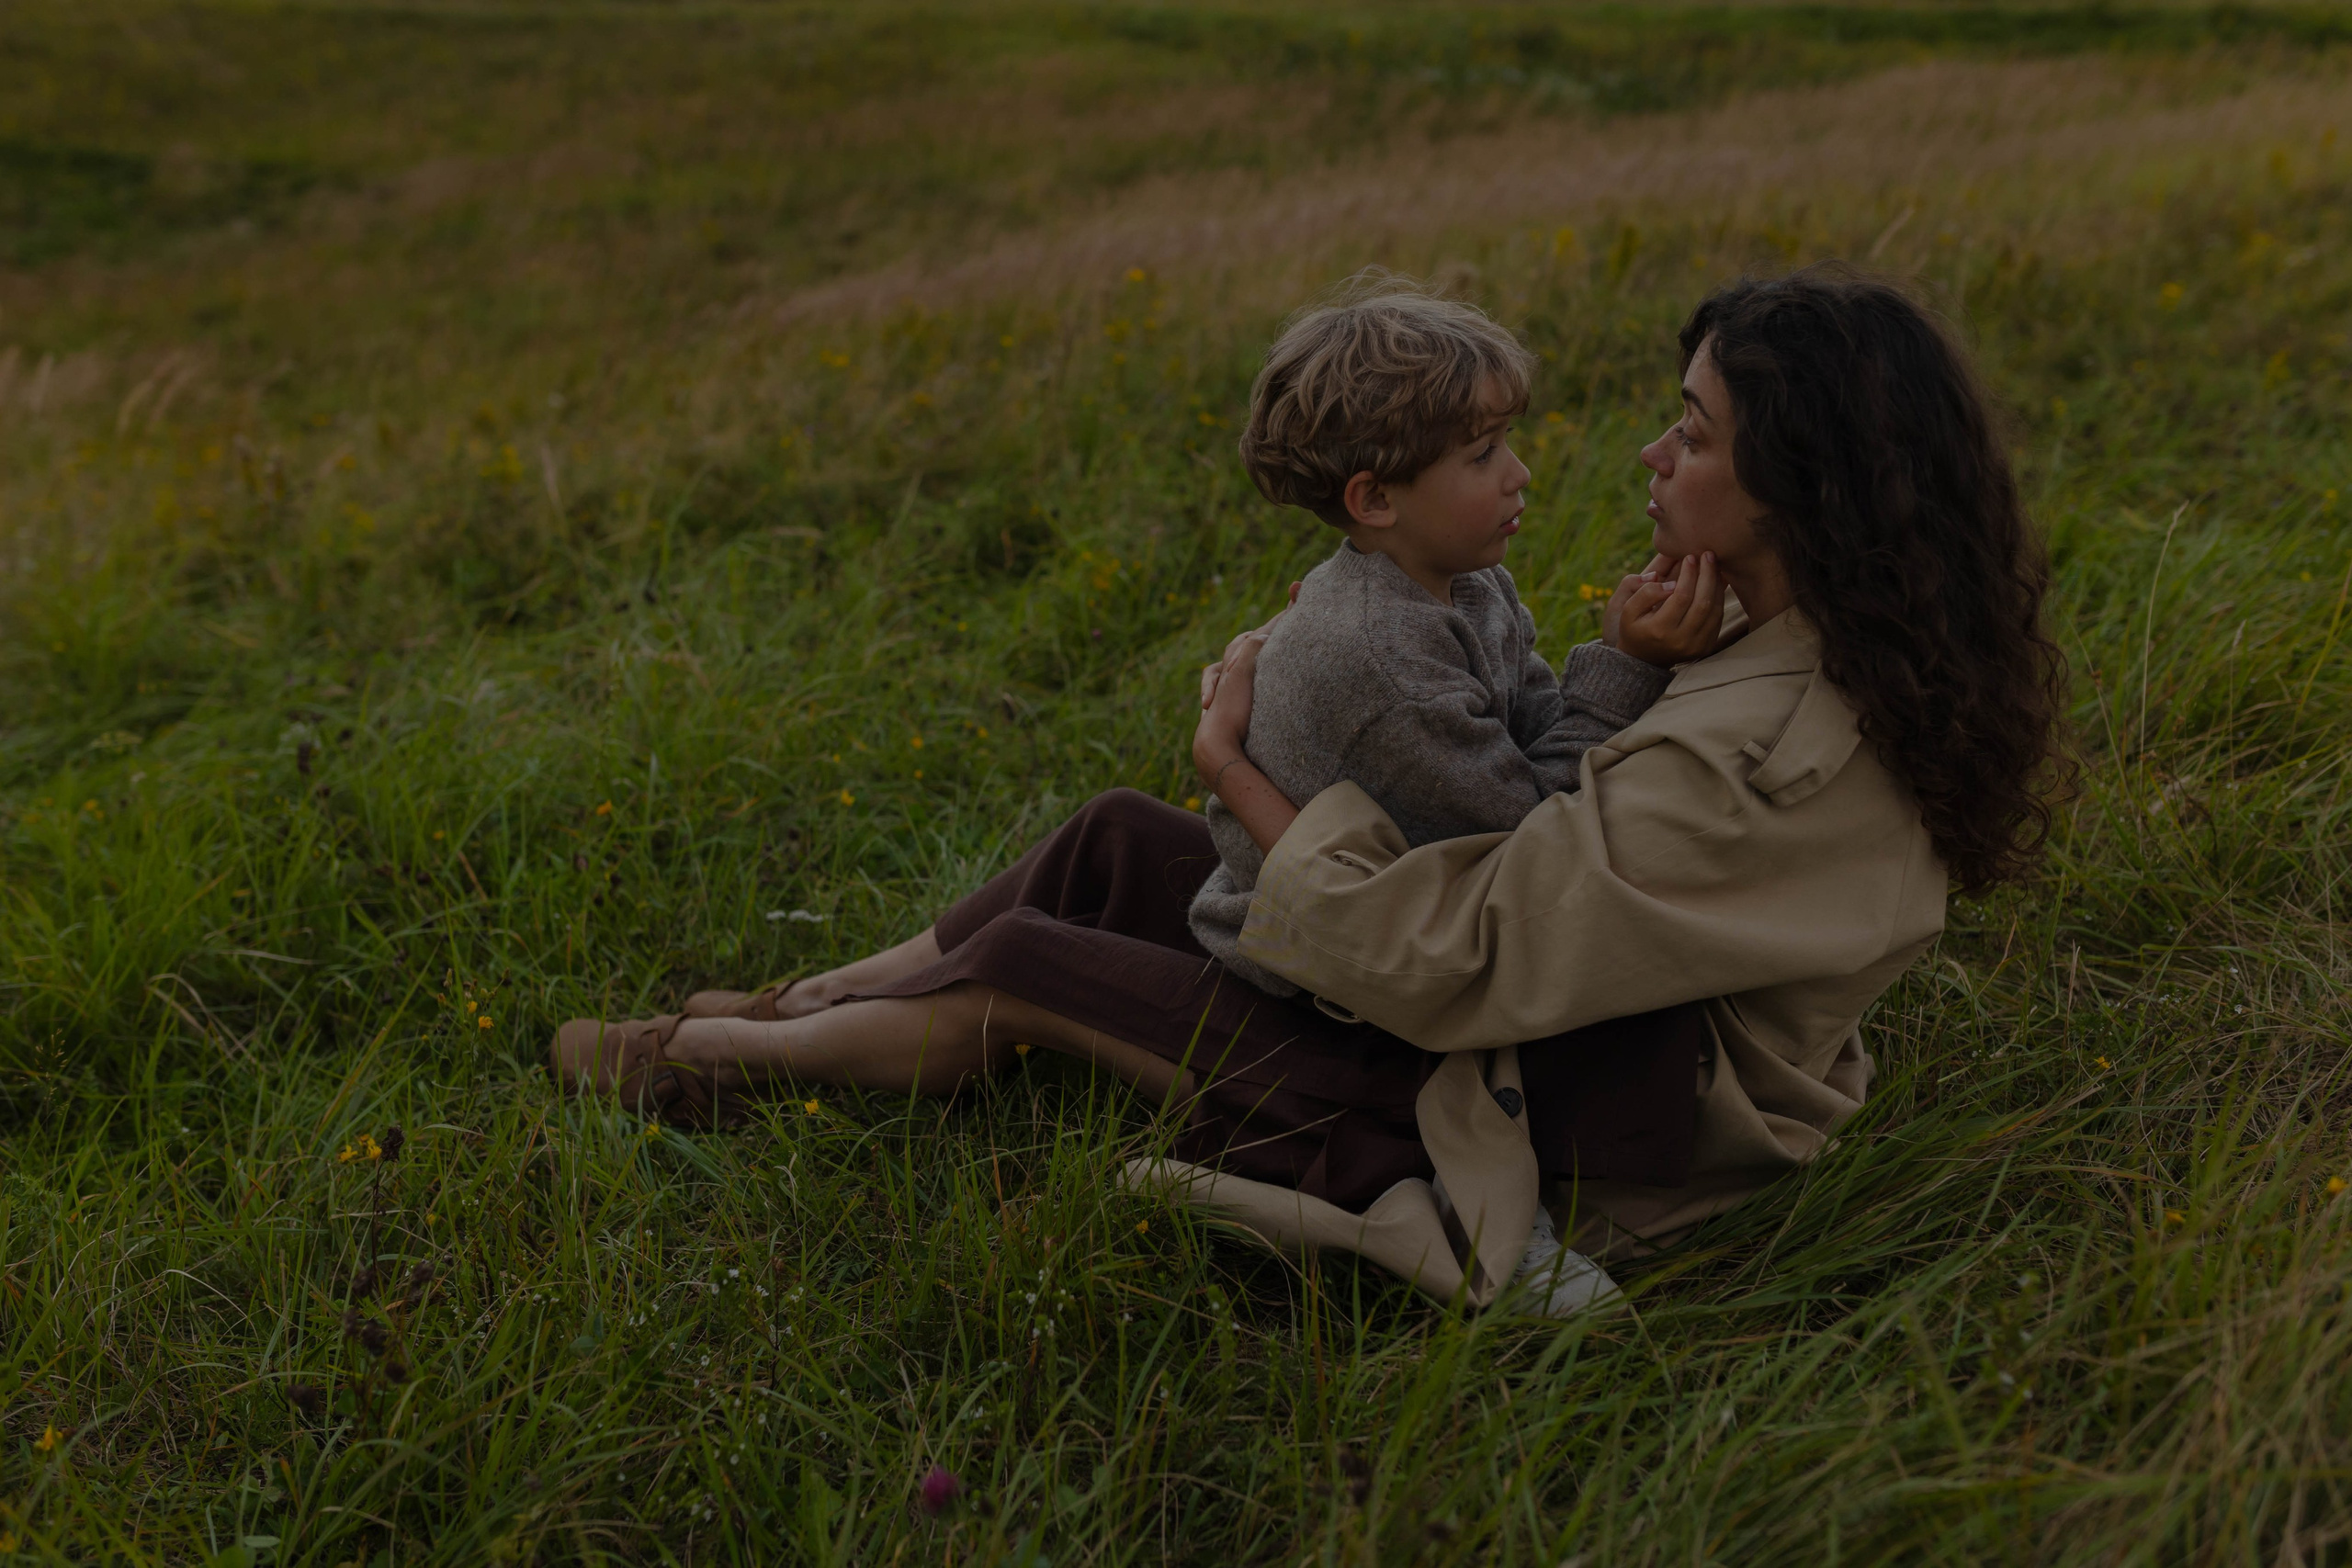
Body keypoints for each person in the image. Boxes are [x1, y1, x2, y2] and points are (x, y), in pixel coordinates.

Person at [551, 265, 2064, 1317]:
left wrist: (1238, 774)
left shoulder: (1753, 752)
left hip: (1577, 1111)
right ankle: (797, 1003)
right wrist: (1635, 664)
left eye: (1698, 430)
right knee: (1122, 845)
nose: (1655, 451)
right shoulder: (1814, 625)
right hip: (1575, 997)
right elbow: (1543, 856)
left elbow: (1455, 963)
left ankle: (701, 1064)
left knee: (1031, 965)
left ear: (1807, 487)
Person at [1185, 280, 1721, 1002]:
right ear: (1375, 500)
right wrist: (1625, 665)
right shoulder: (1385, 661)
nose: (1518, 473)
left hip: (1402, 906)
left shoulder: (1465, 581)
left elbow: (1533, 729)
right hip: (1302, 968)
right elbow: (1532, 835)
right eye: (1482, 454)